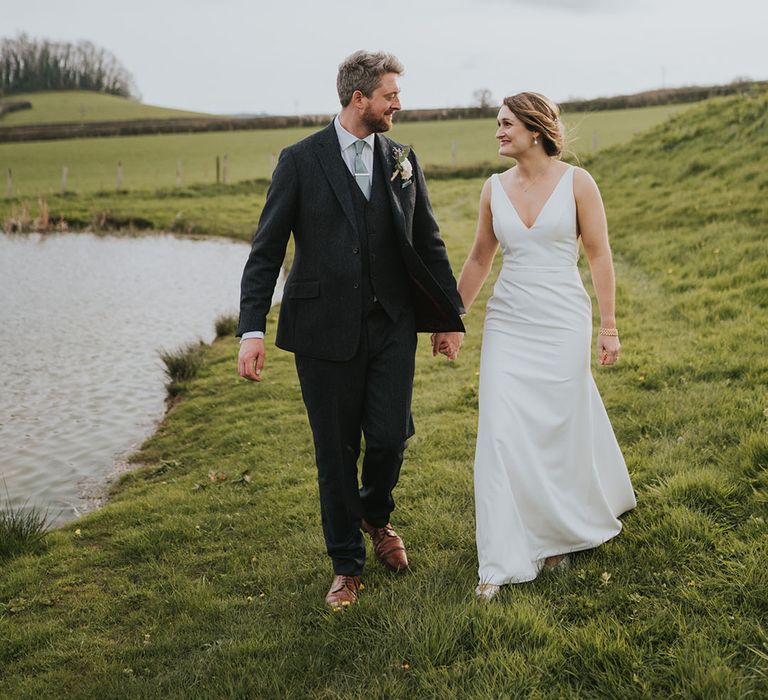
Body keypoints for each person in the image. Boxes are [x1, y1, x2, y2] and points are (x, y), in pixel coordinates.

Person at [236, 50, 465, 609]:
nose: (398, 105)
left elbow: (428, 244)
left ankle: (374, 513)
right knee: (335, 452)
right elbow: (266, 251)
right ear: (359, 98)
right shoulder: (300, 160)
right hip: (321, 331)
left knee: (389, 436)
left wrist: (447, 318)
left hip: (391, 324)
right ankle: (346, 564)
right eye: (390, 95)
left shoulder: (403, 158)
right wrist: (251, 330)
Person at [452, 92, 636, 600]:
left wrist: (609, 326)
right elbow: (478, 260)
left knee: (557, 425)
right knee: (499, 431)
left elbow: (599, 256)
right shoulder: (493, 189)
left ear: (534, 130)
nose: (498, 131)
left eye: (506, 123)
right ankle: (499, 558)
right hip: (510, 321)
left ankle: (555, 531)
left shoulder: (578, 183)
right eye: (497, 123)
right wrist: (453, 319)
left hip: (562, 320)